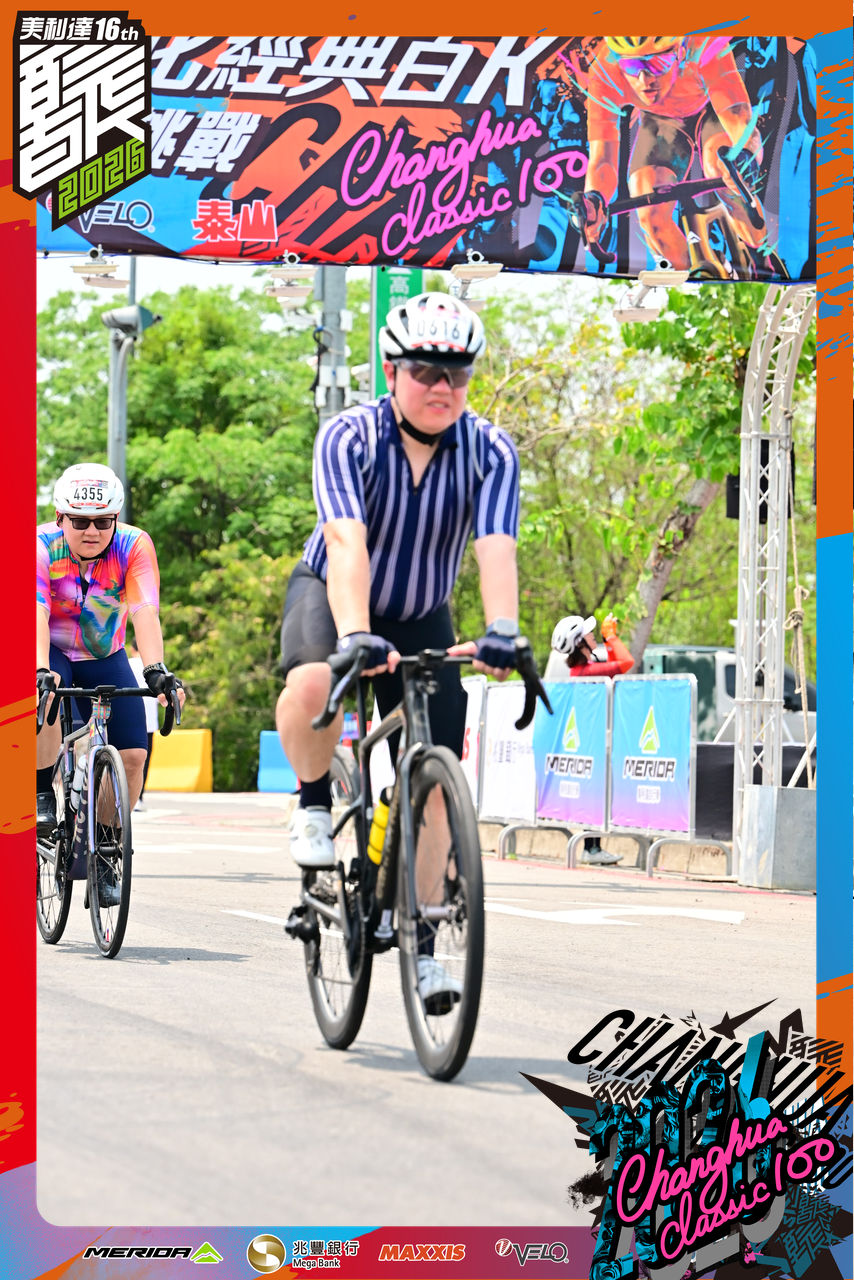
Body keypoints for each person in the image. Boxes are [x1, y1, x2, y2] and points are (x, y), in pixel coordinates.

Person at [276, 291, 520, 1009]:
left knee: (437, 780)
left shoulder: (491, 451)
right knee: (314, 685)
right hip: (334, 593)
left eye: (457, 372)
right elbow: (346, 542)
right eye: (425, 370)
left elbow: (496, 548)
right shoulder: (349, 437)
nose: (442, 386)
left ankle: (426, 951)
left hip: (420, 613)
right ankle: (313, 803)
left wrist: (503, 629)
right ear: (391, 371)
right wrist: (355, 634)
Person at [36, 464, 185, 899]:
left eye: (103, 522)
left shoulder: (134, 545)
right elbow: (35, 611)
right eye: (80, 521)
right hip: (50, 648)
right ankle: (42, 793)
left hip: (106, 654)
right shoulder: (40, 545)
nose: (92, 531)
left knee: (134, 755)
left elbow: (145, 610)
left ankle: (105, 851)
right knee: (46, 693)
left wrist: (155, 669)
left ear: (115, 519)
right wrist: (39, 669)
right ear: (60, 517)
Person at [578, 36, 767, 271]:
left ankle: (762, 256)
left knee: (723, 170)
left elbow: (739, 119)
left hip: (711, 108)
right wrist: (594, 199)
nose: (645, 80)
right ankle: (692, 278)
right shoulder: (605, 68)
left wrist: (745, 156)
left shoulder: (704, 43)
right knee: (649, 211)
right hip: (661, 122)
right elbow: (601, 158)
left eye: (658, 64)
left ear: (681, 52)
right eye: (632, 66)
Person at [546, 612, 635, 865]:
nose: (592, 634)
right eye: (588, 633)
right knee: (595, 794)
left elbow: (617, 665)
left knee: (596, 794)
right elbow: (626, 662)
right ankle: (591, 849)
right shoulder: (585, 672)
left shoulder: (584, 669)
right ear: (579, 643)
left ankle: (593, 848)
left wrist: (608, 641)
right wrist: (611, 637)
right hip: (593, 742)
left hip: (593, 740)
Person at [127, 638, 160, 811]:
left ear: (132, 649)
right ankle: (138, 798)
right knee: (143, 761)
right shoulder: (156, 668)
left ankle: (123, 795)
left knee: (125, 757)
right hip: (150, 722)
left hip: (130, 717)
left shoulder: (127, 664)